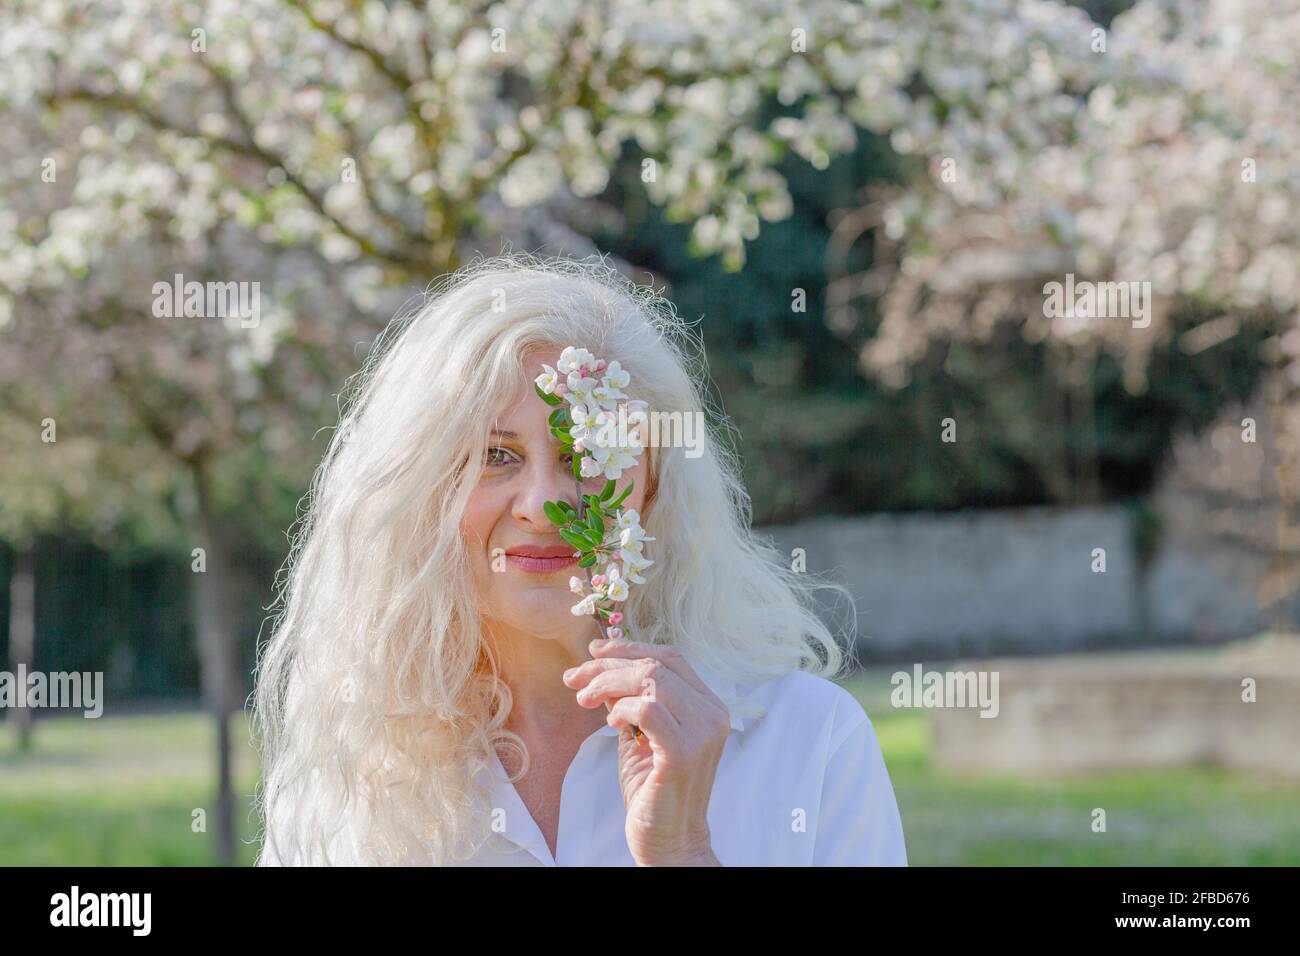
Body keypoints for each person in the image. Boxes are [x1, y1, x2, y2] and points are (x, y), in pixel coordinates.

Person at [254, 254, 907, 866]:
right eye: (496, 455)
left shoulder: (809, 742)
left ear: (652, 481)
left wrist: (684, 850)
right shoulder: (346, 783)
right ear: (420, 487)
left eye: (588, 455)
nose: (541, 503)